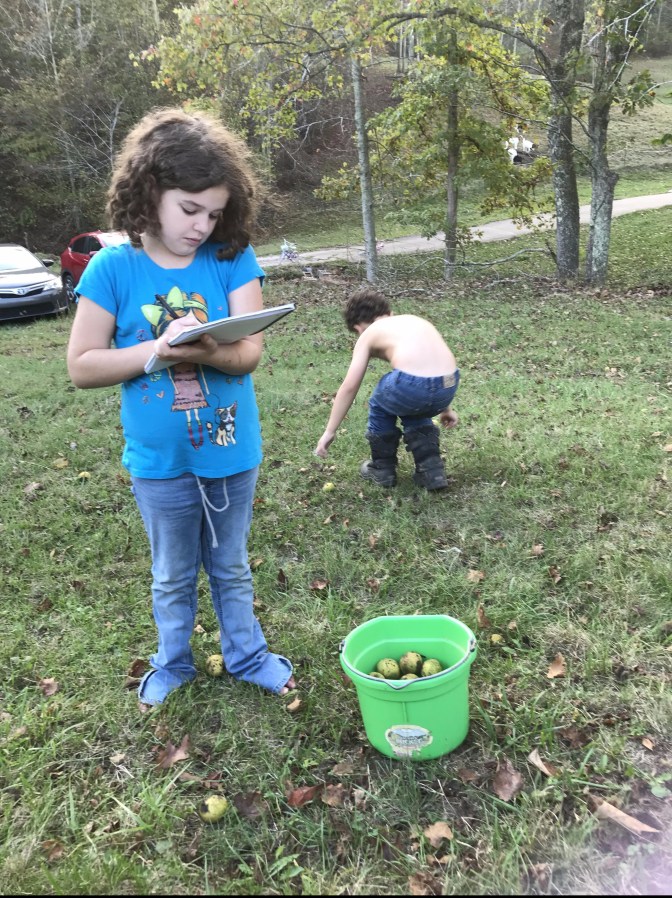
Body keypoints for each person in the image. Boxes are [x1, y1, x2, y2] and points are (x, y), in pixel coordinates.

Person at [67, 107, 295, 709]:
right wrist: (160, 352)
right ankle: (173, 664)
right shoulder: (112, 267)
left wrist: (213, 349)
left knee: (231, 566)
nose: (201, 226)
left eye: (215, 213)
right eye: (190, 209)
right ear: (148, 192)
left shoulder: (230, 259)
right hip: (158, 461)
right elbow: (82, 365)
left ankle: (247, 655)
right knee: (171, 574)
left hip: (230, 452)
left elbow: (248, 354)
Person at [314, 289, 460, 490]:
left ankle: (382, 468)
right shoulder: (414, 320)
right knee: (409, 402)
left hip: (414, 385)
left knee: (381, 401)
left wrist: (330, 431)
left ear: (358, 328)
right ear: (390, 313)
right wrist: (446, 409)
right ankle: (432, 470)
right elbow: (432, 367)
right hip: (450, 382)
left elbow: (349, 386)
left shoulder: (369, 333)